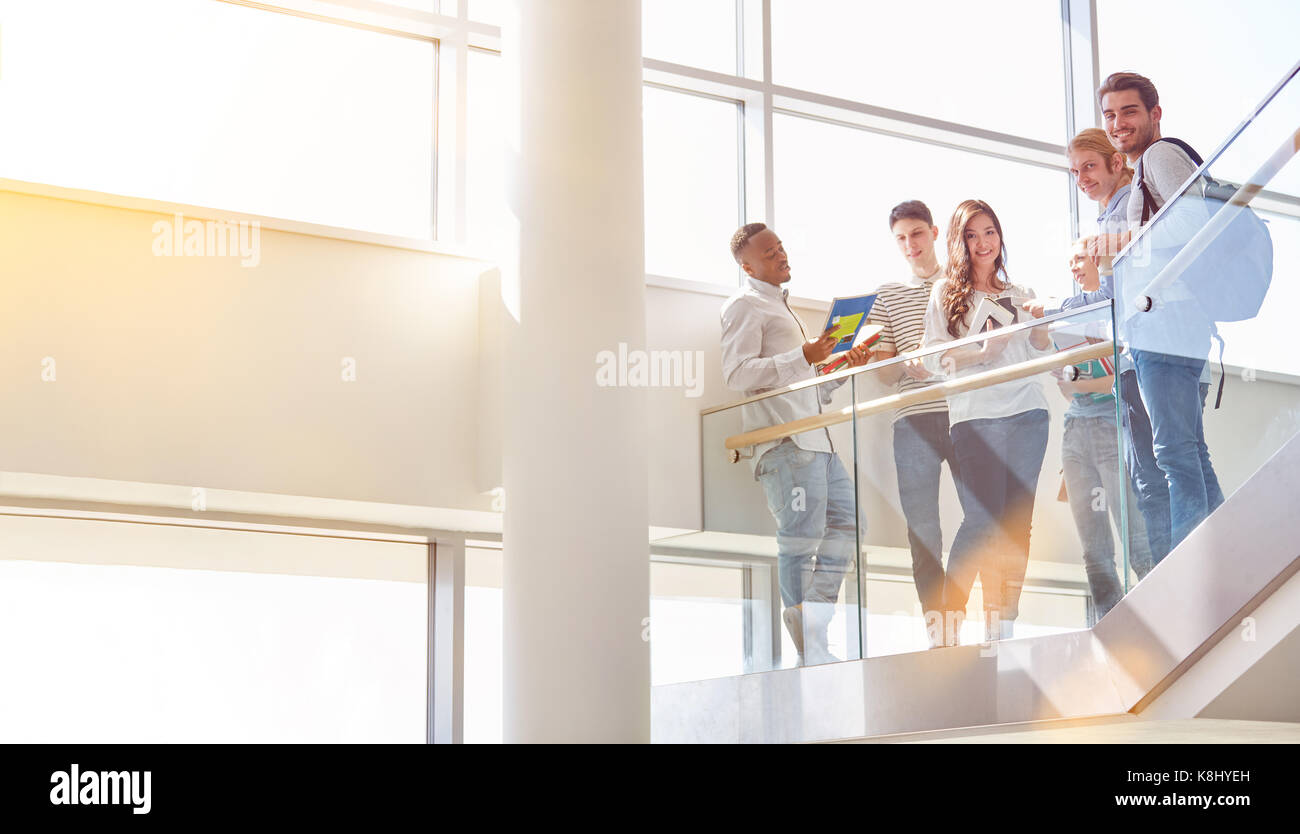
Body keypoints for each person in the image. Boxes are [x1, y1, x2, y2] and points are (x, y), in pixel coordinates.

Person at [719, 222, 873, 665]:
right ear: (747, 266)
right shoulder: (743, 306)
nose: (781, 256)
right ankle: (811, 640)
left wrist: (840, 366)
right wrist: (802, 355)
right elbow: (738, 374)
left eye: (781, 248)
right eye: (769, 254)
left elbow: (803, 384)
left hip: (818, 439)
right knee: (799, 540)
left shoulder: (784, 310)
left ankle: (811, 617)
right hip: (786, 444)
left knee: (851, 524)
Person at [1089, 71, 1224, 552]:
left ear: (1154, 114)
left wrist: (1123, 242)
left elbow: (1191, 221)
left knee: (1172, 452)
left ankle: (1192, 562)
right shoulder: (1146, 167)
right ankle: (1218, 549)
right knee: (1188, 450)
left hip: (1166, 321)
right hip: (1171, 320)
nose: (1118, 123)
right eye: (1110, 114)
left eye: (1129, 111)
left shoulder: (1159, 156)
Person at [1024, 126, 1169, 570]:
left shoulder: (1126, 208)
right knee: (1107, 535)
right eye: (1074, 171)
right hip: (1093, 409)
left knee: (1148, 504)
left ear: (1115, 163)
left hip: (1134, 380)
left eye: (1088, 166)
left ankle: (1169, 599)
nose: (1081, 177)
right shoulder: (1109, 216)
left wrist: (1054, 307)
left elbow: (1111, 300)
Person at [921, 200, 1053, 644]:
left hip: (1028, 413)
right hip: (976, 416)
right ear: (960, 242)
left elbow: (1040, 355)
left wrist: (1039, 328)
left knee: (1018, 521)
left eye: (990, 232)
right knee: (981, 518)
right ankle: (949, 621)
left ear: (1001, 237)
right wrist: (980, 353)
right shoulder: (946, 294)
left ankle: (1004, 622)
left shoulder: (1020, 291)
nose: (983, 243)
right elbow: (933, 359)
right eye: (972, 235)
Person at [864, 201, 961, 648]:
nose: (910, 245)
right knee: (923, 529)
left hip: (965, 413)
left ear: (935, 232)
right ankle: (937, 630)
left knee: (984, 518)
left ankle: (961, 613)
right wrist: (900, 361)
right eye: (901, 238)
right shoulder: (887, 295)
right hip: (912, 419)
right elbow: (885, 375)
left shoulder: (962, 281)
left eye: (917, 234)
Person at [1056, 242, 1154, 622]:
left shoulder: (1121, 310)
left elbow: (1117, 381)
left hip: (1112, 426)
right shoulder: (1069, 318)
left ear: (1099, 259)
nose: (1075, 269)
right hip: (1075, 433)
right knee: (1093, 551)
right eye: (1070, 263)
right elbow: (1068, 384)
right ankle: (1110, 629)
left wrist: (1085, 376)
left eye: (1079, 259)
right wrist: (1088, 376)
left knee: (1136, 539)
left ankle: (1159, 622)